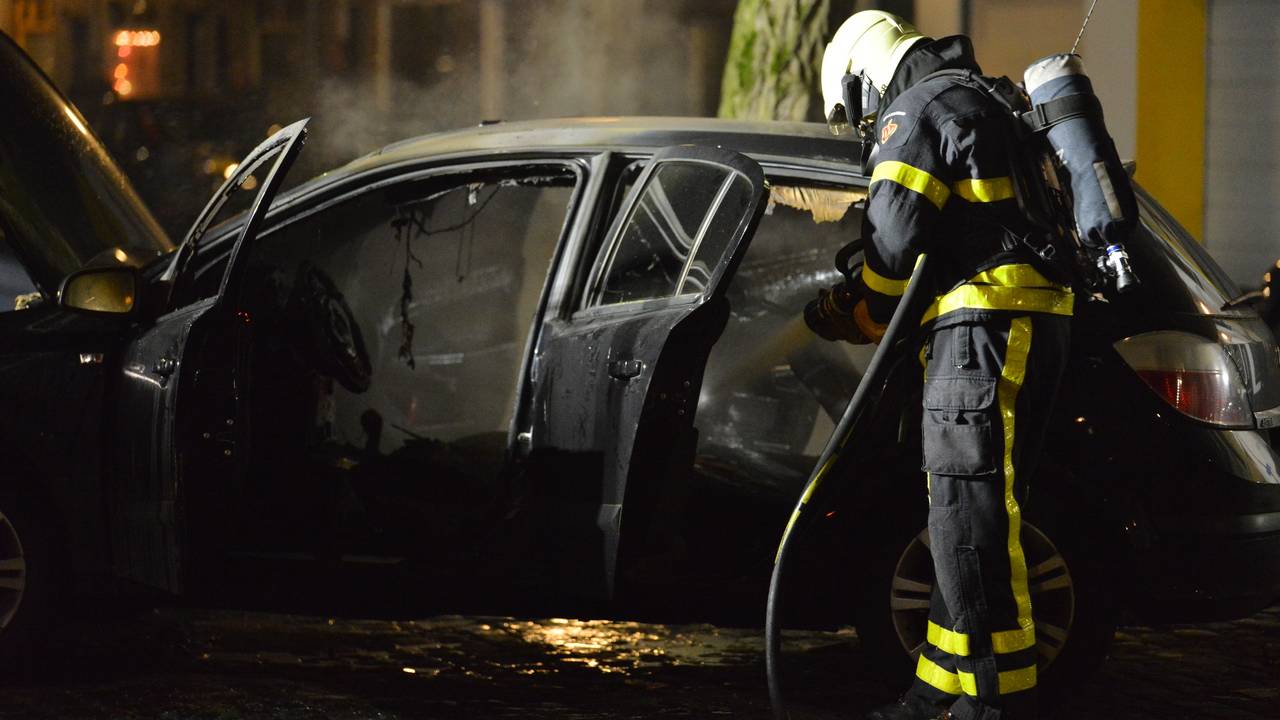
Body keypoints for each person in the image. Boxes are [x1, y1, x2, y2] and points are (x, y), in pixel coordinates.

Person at [805, 11, 1074, 720]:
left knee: (973, 514)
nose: (864, 123)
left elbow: (893, 249)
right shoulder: (980, 95)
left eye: (856, 110)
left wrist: (855, 309)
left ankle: (994, 700)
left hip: (983, 323)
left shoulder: (914, 111)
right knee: (960, 514)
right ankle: (934, 692)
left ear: (864, 79)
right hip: (1014, 319)